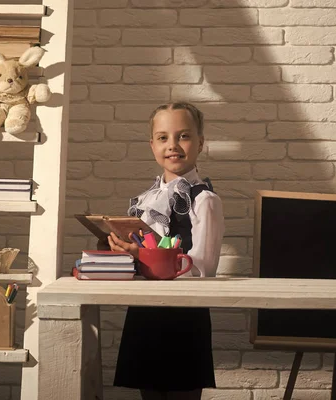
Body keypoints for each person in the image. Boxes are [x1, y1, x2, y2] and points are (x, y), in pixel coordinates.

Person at [108, 102, 225, 400]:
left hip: (184, 318)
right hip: (145, 313)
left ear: (201, 142)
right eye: (162, 138)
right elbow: (143, 258)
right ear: (151, 145)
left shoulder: (205, 200)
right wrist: (122, 253)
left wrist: (142, 255)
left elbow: (201, 271)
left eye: (183, 136)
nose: (172, 146)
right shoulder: (146, 200)